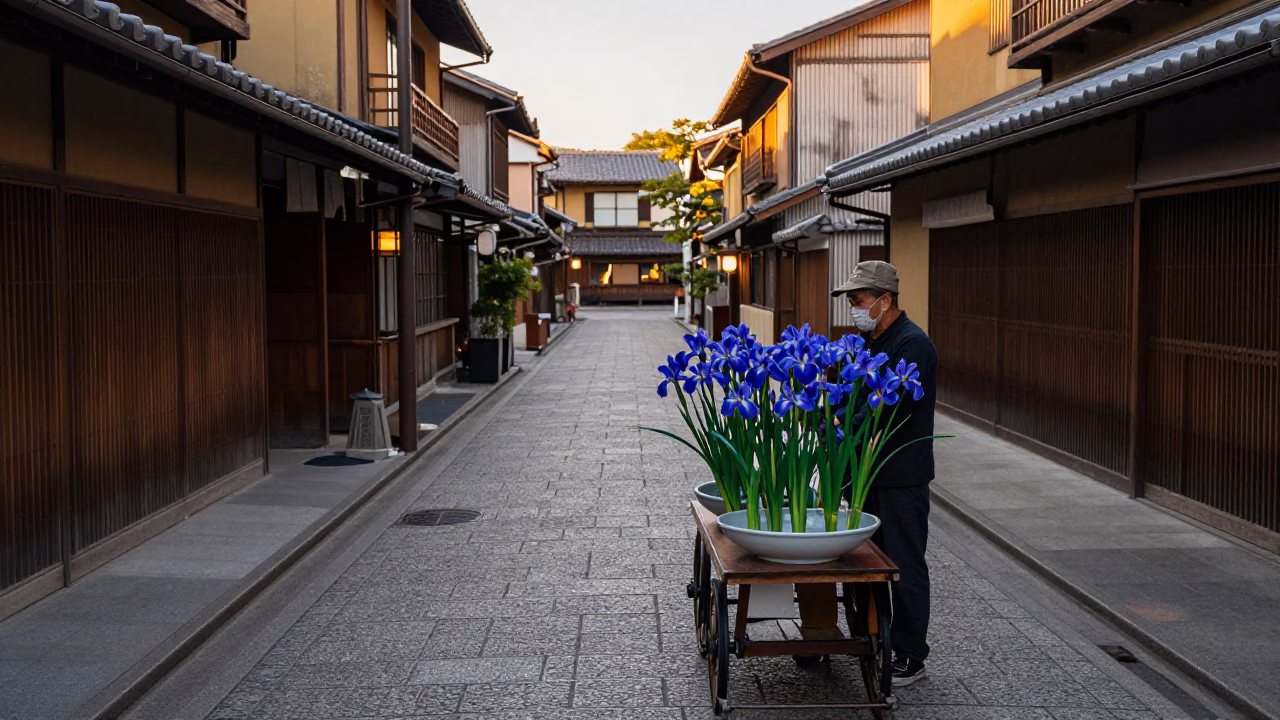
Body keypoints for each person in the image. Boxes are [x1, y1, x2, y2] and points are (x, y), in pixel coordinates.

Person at [832, 260, 937, 687]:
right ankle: (872, 638)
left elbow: (885, 406)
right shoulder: (863, 340)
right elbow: (843, 391)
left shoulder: (913, 345)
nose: (854, 309)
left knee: (903, 564)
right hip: (861, 473)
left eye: (858, 301)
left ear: (884, 300)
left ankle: (911, 655)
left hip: (898, 474)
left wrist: (840, 423)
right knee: (862, 563)